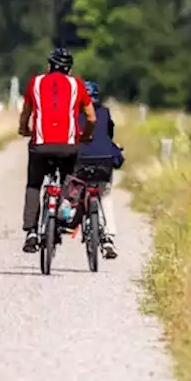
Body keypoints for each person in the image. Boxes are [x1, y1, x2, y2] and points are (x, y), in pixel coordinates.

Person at [16, 47, 95, 253]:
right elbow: (91, 117)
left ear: (49, 65)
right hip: (68, 146)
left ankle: (31, 231)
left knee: (34, 184)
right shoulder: (77, 84)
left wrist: (24, 129)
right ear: (69, 69)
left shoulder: (36, 82)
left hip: (40, 145)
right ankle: (64, 217)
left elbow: (26, 111)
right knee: (69, 181)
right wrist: (85, 135)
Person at [76, 79, 123, 259]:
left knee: (77, 189)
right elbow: (109, 134)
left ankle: (73, 219)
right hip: (104, 161)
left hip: (80, 160)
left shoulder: (74, 113)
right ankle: (109, 237)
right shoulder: (104, 112)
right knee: (105, 195)